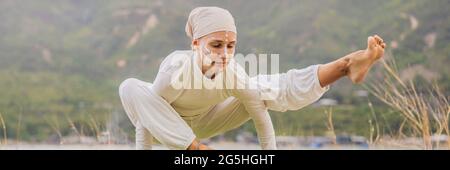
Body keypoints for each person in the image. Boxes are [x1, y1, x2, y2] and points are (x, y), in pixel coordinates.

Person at [118, 7, 386, 150]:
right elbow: (146, 119)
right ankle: (195, 149)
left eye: (231, 45)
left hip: (208, 122)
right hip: (168, 131)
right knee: (130, 87)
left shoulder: (233, 71)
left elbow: (259, 115)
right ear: (196, 43)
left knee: (261, 88)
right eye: (216, 45)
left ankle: (344, 66)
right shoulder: (175, 70)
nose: (225, 54)